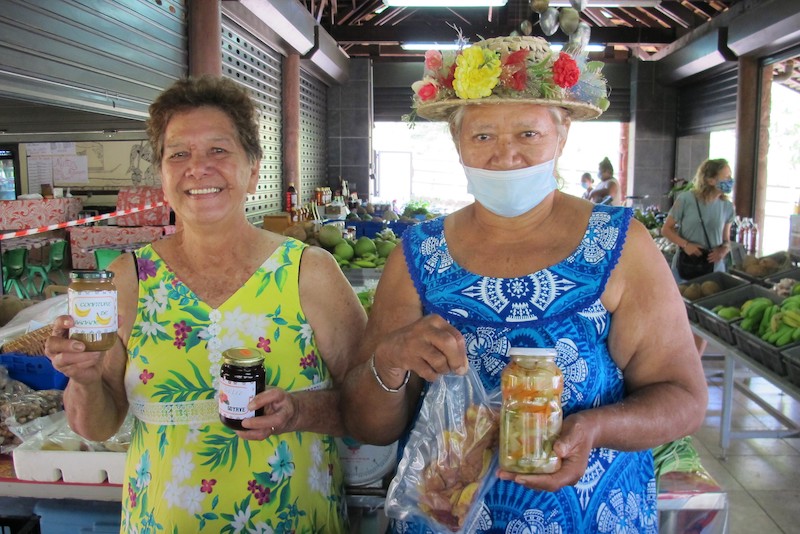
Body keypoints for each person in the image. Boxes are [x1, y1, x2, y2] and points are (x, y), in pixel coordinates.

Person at [341, 35, 708, 532]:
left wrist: (595, 428)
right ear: (457, 142)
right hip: (447, 516)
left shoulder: (622, 244)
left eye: (529, 134)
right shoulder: (418, 253)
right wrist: (388, 360)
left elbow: (683, 397)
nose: (505, 155)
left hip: (588, 516)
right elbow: (367, 423)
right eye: (483, 136)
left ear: (562, 135)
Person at [44, 76, 367, 532]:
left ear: (253, 169)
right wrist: (83, 379)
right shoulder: (126, 279)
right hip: (163, 521)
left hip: (293, 517)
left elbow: (371, 408)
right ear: (162, 175)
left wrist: (299, 411)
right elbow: (95, 426)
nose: (198, 168)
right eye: (179, 154)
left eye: (219, 150)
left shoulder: (308, 272)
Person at [661, 158, 735, 280]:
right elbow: (666, 230)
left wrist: (723, 250)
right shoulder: (686, 199)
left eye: (730, 176)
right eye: (726, 177)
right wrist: (686, 245)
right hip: (686, 266)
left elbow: (726, 239)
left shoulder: (727, 206)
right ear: (711, 180)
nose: (730, 180)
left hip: (714, 269)